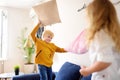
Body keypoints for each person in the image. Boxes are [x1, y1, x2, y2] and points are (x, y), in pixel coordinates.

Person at [79, 0, 120, 80]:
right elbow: (105, 59)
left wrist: (88, 70)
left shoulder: (100, 34)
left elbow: (105, 61)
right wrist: (91, 68)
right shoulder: (112, 34)